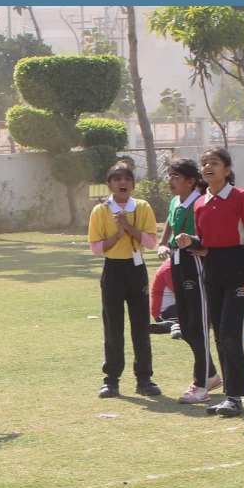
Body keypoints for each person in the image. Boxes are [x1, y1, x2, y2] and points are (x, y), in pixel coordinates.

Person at [175, 147, 244, 418]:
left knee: (230, 333)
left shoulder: (241, 197)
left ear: (227, 170)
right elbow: (206, 244)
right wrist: (190, 242)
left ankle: (235, 397)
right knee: (218, 333)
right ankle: (229, 396)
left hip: (238, 267)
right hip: (212, 269)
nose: (207, 167)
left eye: (214, 163)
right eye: (204, 163)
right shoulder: (200, 203)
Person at [88, 161, 161, 399]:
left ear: (133, 184)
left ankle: (144, 378)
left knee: (141, 326)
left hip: (136, 269)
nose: (123, 183)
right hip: (113, 270)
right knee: (113, 327)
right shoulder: (100, 211)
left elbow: (150, 242)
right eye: (117, 179)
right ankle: (111, 380)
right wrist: (117, 235)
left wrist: (129, 227)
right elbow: (96, 248)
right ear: (109, 184)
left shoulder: (142, 207)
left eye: (127, 179)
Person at [156, 158, 220, 404]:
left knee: (198, 324)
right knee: (185, 326)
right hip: (178, 262)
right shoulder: (176, 201)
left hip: (196, 262)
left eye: (175, 176)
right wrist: (164, 243)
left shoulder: (200, 202)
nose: (170, 181)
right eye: (169, 176)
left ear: (191, 181)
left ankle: (200, 384)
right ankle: (211, 374)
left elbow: (209, 235)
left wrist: (196, 244)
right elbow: (170, 221)